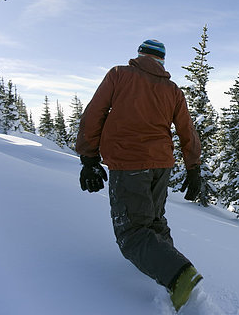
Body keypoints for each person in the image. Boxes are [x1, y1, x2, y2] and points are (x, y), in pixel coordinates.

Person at [75, 39, 204, 311]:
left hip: (130, 163)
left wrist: (88, 157)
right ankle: (169, 275)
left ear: (139, 56)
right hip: (161, 166)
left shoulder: (120, 75)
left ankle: (179, 275)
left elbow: (94, 113)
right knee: (154, 221)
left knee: (132, 232)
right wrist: (193, 169)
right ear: (162, 62)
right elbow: (187, 131)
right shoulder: (172, 90)